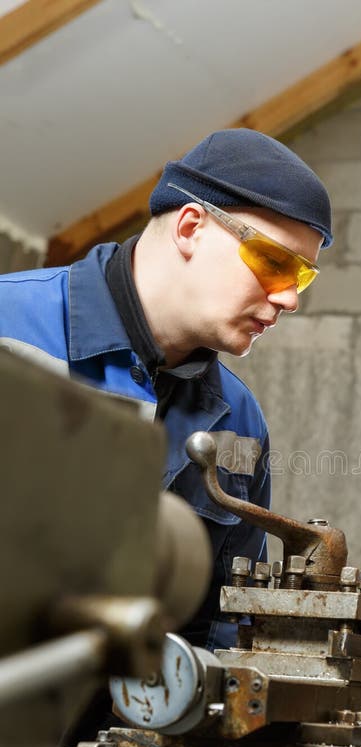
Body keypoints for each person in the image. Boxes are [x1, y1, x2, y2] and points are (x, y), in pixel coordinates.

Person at [0, 129, 333, 650]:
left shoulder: (240, 425)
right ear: (190, 227)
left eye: (302, 277)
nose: (289, 298)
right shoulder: (9, 329)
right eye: (274, 262)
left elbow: (223, 625)